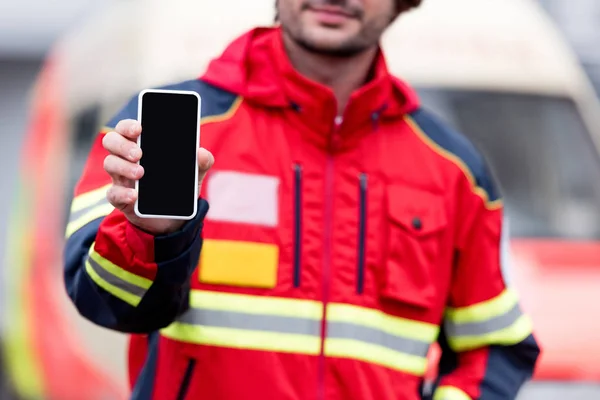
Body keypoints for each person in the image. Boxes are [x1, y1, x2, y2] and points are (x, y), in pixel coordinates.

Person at [63, 0, 540, 399]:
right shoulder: (160, 132)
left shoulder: (454, 169)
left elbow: (496, 346)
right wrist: (152, 236)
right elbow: (106, 304)